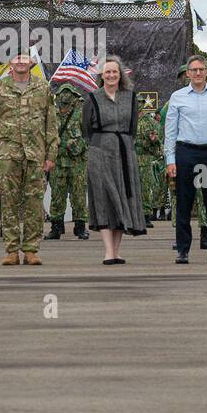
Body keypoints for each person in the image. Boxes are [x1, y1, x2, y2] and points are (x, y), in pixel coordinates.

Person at [0, 51, 58, 266]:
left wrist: (51, 154)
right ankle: (11, 250)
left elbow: (50, 123)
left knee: (34, 203)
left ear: (31, 62)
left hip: (36, 154)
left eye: (25, 58)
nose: (21, 61)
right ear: (11, 62)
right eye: (17, 58)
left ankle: (31, 250)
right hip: (8, 154)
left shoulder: (43, 87)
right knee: (9, 203)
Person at [165, 55, 207, 264]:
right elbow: (170, 130)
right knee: (185, 202)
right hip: (186, 152)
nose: (197, 73)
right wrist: (170, 159)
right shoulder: (177, 97)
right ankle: (183, 250)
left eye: (201, 69)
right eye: (193, 70)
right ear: (187, 73)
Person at [83, 55, 146, 265]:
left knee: (122, 198)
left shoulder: (131, 97)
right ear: (102, 75)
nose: (111, 75)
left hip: (125, 152)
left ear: (121, 75)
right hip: (100, 152)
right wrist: (104, 144)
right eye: (107, 72)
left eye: (114, 72)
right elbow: (86, 130)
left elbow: (133, 127)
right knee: (104, 198)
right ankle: (108, 251)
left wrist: (123, 145)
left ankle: (117, 251)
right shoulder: (92, 97)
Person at [46, 84, 90, 241]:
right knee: (57, 195)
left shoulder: (81, 113)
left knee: (78, 196)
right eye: (62, 93)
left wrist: (78, 145)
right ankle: (56, 228)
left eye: (69, 93)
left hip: (76, 162)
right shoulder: (52, 114)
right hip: (57, 161)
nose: (65, 96)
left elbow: (89, 135)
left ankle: (80, 228)